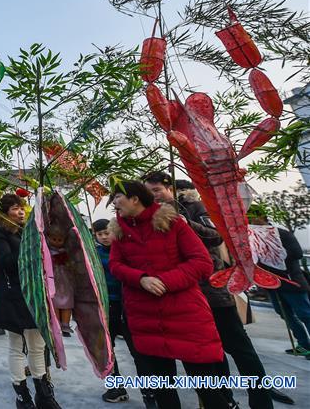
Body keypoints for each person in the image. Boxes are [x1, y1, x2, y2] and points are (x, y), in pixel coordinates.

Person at [144, 173, 287, 408]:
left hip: (212, 290)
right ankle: (225, 399)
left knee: (239, 347)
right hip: (186, 296)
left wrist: (187, 222)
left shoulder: (195, 207)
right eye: (149, 192)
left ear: (170, 188)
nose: (154, 196)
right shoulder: (153, 216)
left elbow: (217, 237)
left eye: (157, 190)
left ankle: (260, 399)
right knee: (211, 352)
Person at [108, 180, 229, 409]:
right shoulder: (120, 230)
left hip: (185, 314)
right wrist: (140, 278)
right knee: (163, 391)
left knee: (208, 389)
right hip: (145, 318)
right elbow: (115, 265)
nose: (114, 202)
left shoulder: (173, 223)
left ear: (135, 199)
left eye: (117, 196)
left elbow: (202, 263)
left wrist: (165, 281)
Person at [0, 193, 61, 409]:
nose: (20, 212)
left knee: (38, 346)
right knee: (17, 346)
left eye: (22, 208)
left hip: (33, 295)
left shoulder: (27, 231)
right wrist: (31, 250)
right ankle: (22, 395)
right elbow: (6, 262)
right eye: (14, 208)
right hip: (11, 297)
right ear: (3, 212)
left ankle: (44, 393)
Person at [93, 218, 153, 406]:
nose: (104, 237)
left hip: (129, 305)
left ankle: (150, 392)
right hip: (106, 305)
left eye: (107, 233)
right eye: (99, 234)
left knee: (138, 350)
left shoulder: (125, 250)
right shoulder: (94, 254)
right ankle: (116, 387)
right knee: (108, 352)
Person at [248, 205, 310, 357]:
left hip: (291, 282)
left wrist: (272, 253)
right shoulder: (253, 237)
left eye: (251, 217)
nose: (250, 221)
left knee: (305, 314)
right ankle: (303, 344)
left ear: (262, 217)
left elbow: (297, 253)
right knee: (285, 314)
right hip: (272, 284)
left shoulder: (281, 234)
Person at [45, 224, 74, 337]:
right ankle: (56, 324)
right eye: (54, 239)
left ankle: (65, 325)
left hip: (65, 280)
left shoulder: (67, 251)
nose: (56, 242)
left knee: (67, 303)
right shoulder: (46, 250)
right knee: (54, 302)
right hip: (53, 280)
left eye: (60, 240)